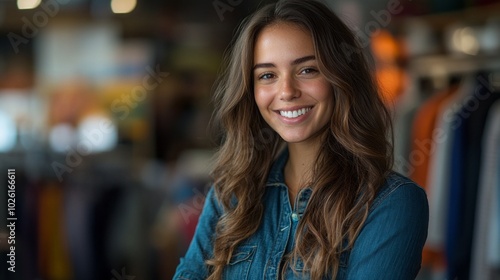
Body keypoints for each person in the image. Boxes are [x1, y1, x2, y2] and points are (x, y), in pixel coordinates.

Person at [174, 0, 429, 279]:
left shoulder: (391, 203)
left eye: (307, 70)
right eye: (267, 75)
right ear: (251, 90)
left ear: (341, 77)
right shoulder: (232, 193)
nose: (286, 91)